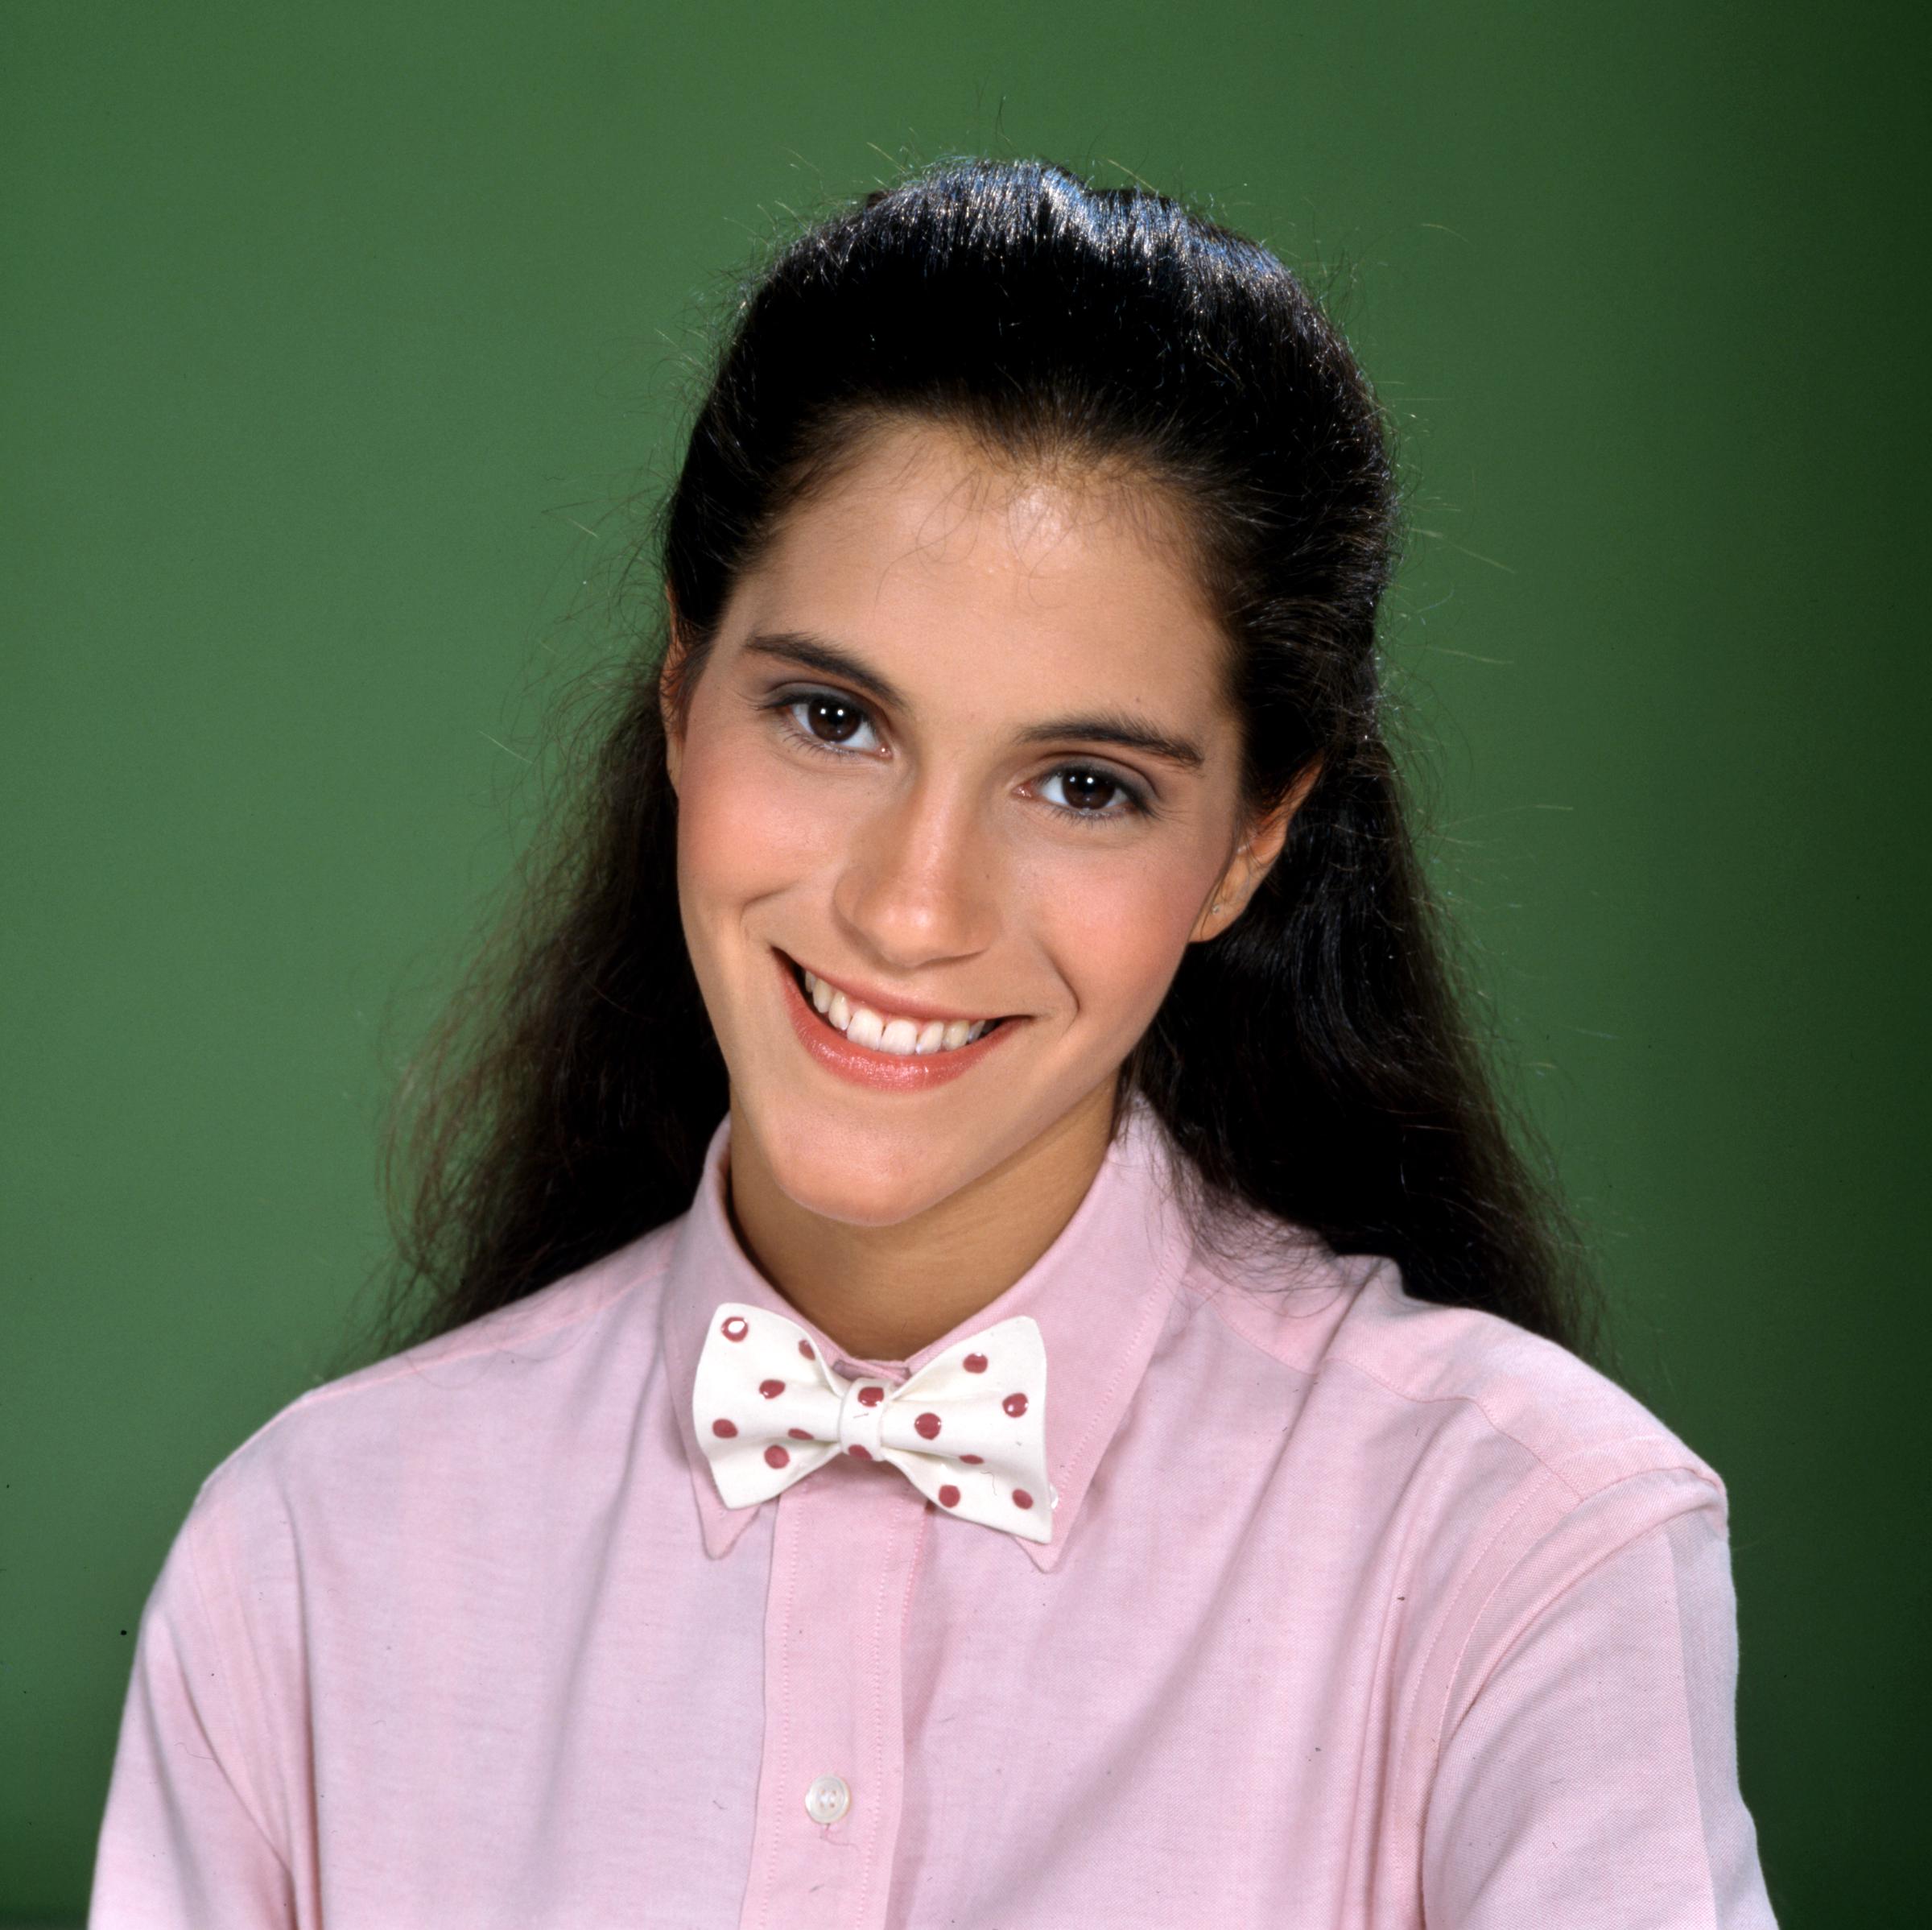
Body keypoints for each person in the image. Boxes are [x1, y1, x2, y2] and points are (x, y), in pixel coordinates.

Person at [89, 158, 1778, 1928]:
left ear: (1255, 839)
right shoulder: (306, 1559)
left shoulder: (1524, 1553)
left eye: (1083, 784)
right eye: (832, 717)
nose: (913, 907)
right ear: (680, 698)